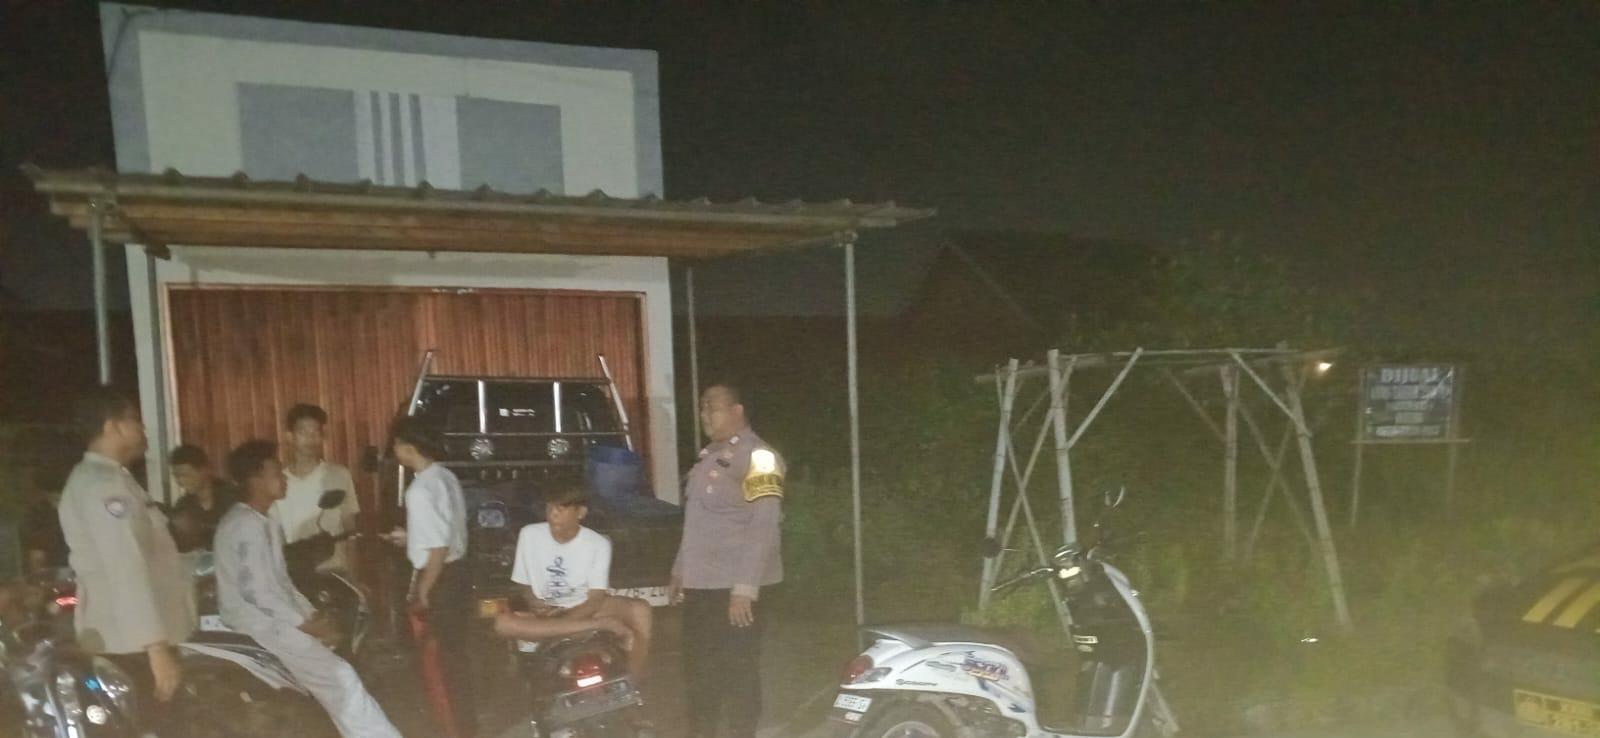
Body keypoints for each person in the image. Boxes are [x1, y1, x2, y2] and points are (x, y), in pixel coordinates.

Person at [215, 440, 401, 738]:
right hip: (259, 624)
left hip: (274, 621)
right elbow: (258, 593)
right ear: (256, 479)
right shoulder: (246, 525)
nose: (284, 478)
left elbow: (281, 584)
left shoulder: (263, 520)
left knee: (339, 672)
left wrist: (311, 616)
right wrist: (305, 624)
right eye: (277, 472)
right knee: (341, 677)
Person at [57, 387, 196, 730]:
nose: (142, 428)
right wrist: (155, 648)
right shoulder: (103, 486)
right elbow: (125, 568)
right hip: (131, 644)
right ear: (112, 426)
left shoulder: (113, 478)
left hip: (132, 640)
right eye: (134, 419)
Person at [669, 384, 785, 738]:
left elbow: (764, 524)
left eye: (712, 407)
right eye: (702, 408)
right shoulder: (708, 457)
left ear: (737, 411)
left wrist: (744, 589)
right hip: (702, 585)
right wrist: (680, 570)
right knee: (700, 670)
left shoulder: (760, 458)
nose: (705, 414)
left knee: (738, 670)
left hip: (736, 589)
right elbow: (697, 523)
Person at [494, 484, 653, 677]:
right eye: (550, 507)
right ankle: (600, 625)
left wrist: (563, 621)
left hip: (584, 609)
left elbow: (596, 598)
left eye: (561, 508)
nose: (553, 514)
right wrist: (533, 600)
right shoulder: (529, 534)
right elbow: (523, 583)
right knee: (502, 623)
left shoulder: (598, 544)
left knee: (641, 610)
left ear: (581, 512)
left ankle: (632, 682)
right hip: (548, 613)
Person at [384, 416, 475, 738]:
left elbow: (437, 548)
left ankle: (452, 730)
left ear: (408, 448)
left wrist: (423, 591)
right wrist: (410, 538)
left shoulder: (419, 491)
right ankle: (465, 727)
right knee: (455, 658)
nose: (394, 450)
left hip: (440, 580)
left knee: (439, 664)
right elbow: (446, 531)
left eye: (396, 444)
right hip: (459, 573)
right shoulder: (445, 476)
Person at [272, 403, 360, 571]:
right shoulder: (278, 482)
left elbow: (350, 526)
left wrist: (352, 570)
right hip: (294, 568)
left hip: (334, 567)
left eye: (316, 432)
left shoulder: (339, 475)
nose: (311, 439)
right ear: (289, 437)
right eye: (303, 432)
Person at [168, 444, 236, 552]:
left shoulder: (232, 496)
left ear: (204, 470)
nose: (179, 481)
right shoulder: (183, 506)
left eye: (185, 475)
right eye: (176, 476)